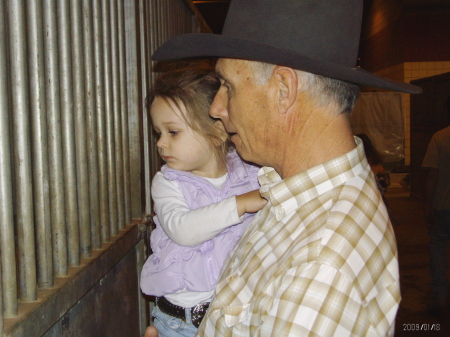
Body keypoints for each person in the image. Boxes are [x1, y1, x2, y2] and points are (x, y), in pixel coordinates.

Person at [150, 0, 421, 336]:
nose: (217, 107)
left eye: (228, 85)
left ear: (283, 89)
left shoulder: (320, 266)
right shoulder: (292, 191)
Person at [140, 62, 266, 337]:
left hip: (236, 318)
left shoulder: (251, 173)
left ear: (218, 132)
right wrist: (240, 204)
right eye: (158, 133)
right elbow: (182, 229)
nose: (161, 143)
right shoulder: (168, 183)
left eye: (172, 132)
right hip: (178, 322)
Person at [422, 96, 450, 313]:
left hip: (443, 205)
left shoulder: (440, 138)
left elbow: (433, 174)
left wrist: (428, 206)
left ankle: (440, 296)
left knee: (439, 247)